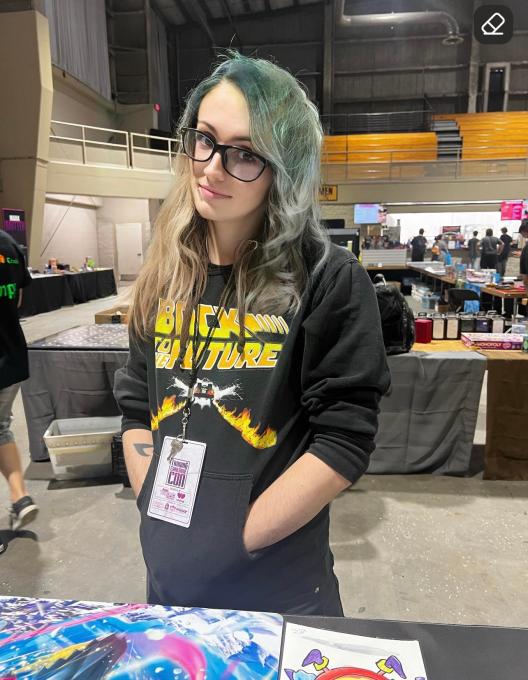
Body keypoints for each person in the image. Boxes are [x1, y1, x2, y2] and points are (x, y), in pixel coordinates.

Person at [114, 53, 390, 616]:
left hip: (278, 593)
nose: (212, 169)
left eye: (244, 154)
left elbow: (342, 442)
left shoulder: (328, 279)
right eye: (205, 140)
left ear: (282, 169)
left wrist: (228, 541)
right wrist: (159, 515)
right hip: (170, 591)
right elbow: (137, 409)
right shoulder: (166, 271)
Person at [0, 229, 39, 555]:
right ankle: (19, 495)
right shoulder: (8, 243)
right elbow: (19, 300)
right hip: (10, 355)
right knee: (1, 427)